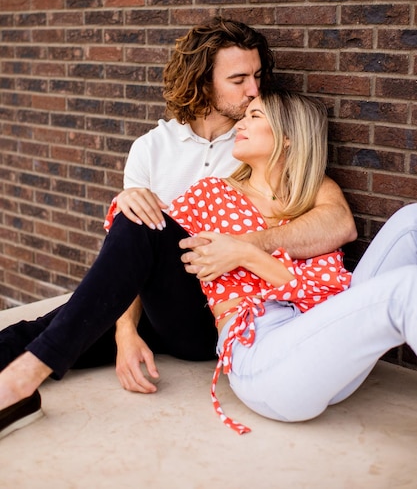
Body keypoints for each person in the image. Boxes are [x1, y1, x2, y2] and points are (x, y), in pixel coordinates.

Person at [0, 87, 416, 441]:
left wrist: (244, 250)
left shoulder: (316, 194)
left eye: (254, 116)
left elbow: (331, 272)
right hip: (244, 336)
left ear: (288, 138)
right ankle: (27, 369)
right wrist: (130, 205)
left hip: (321, 339)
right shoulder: (214, 193)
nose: (241, 123)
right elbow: (141, 245)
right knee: (100, 274)